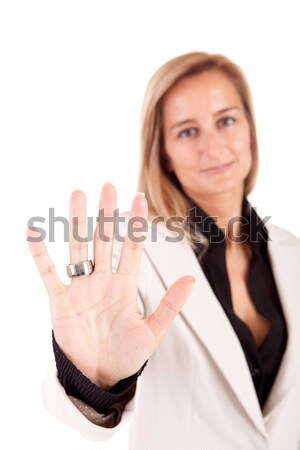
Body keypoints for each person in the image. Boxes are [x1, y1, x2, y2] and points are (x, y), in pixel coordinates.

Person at [26, 52, 300, 450]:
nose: (213, 146)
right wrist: (96, 379)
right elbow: (85, 421)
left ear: (250, 129)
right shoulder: (129, 249)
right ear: (164, 152)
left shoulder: (293, 252)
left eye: (226, 120)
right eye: (187, 131)